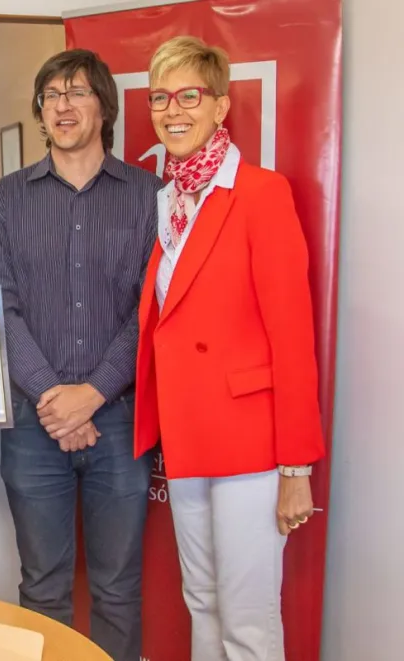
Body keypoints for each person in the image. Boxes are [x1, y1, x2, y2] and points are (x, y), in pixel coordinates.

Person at [135, 36, 325, 661]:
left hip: (250, 443)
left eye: (189, 95)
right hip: (187, 438)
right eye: (160, 97)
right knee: (203, 601)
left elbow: (293, 336)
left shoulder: (262, 192)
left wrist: (296, 468)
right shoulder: (169, 199)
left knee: (247, 620)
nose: (172, 110)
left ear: (220, 107)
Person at [0, 50, 162, 661]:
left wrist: (93, 395)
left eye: (77, 92)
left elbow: (152, 311)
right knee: (43, 587)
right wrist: (55, 399)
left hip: (118, 421)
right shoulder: (6, 199)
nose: (62, 105)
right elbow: (0, 310)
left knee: (116, 587)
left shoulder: (150, 196)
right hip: (35, 426)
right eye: (51, 95)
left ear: (104, 106)